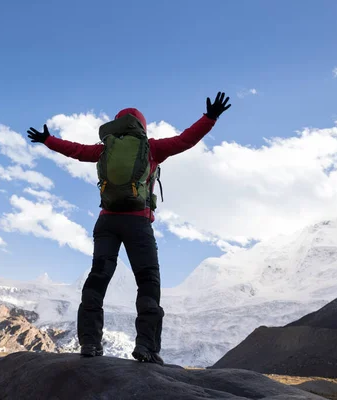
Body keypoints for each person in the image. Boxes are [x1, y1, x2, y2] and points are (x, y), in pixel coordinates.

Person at [27, 92, 231, 365]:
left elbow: (75, 151)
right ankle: (146, 347)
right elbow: (185, 140)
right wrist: (210, 118)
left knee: (98, 278)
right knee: (147, 282)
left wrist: (48, 140)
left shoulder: (104, 149)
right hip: (137, 223)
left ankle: (89, 344)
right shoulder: (152, 148)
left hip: (107, 221)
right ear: (142, 127)